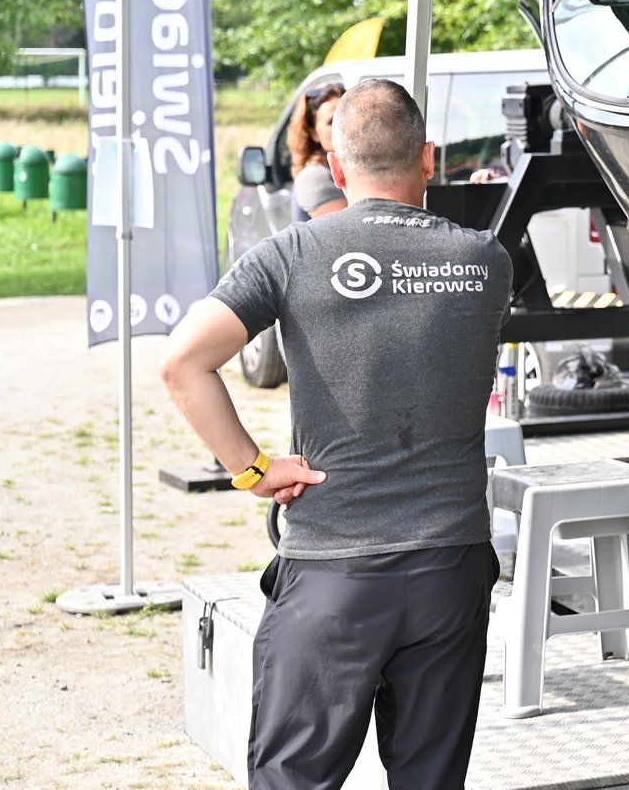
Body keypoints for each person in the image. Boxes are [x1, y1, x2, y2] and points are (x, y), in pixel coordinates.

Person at [159, 78, 512, 789]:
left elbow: (182, 363)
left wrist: (254, 470)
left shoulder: (292, 254)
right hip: (450, 567)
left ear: (338, 167)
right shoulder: (486, 260)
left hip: (333, 570)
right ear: (429, 158)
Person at [287, 82, 347, 220]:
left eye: (348, 117)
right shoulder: (314, 177)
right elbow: (349, 229)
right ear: (313, 133)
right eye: (332, 121)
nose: (343, 125)